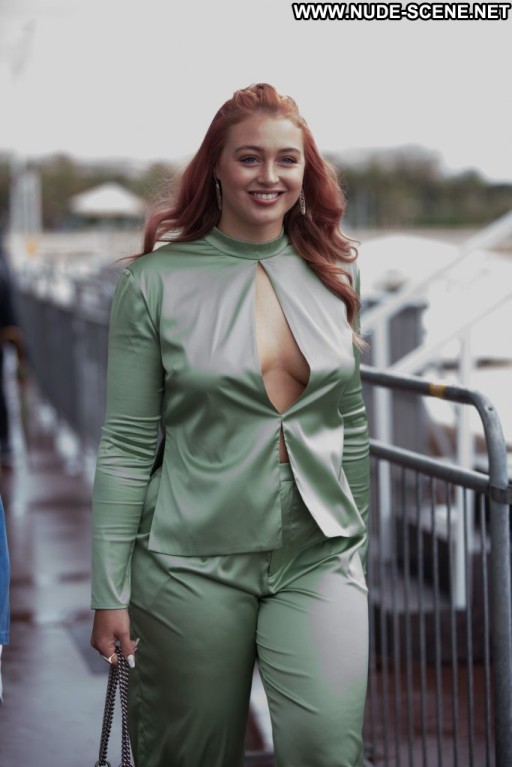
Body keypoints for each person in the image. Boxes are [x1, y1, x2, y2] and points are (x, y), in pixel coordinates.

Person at [90, 83, 370, 767]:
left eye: (287, 159)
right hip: (191, 559)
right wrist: (109, 590)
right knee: (190, 755)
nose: (269, 176)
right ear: (215, 166)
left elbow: (352, 423)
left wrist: (358, 543)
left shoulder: (334, 273)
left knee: (328, 750)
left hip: (318, 553)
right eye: (249, 158)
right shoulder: (153, 282)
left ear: (306, 171)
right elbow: (127, 445)